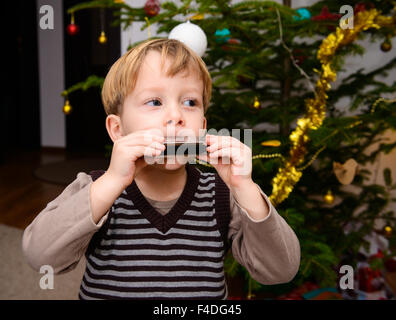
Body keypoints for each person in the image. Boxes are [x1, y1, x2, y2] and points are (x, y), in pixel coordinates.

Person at [22, 38, 300, 300]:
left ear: (202, 128)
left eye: (190, 102)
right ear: (117, 130)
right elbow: (41, 257)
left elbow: (280, 271)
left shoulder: (222, 195)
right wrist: (111, 182)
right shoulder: (95, 189)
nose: (176, 116)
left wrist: (245, 188)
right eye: (154, 102)